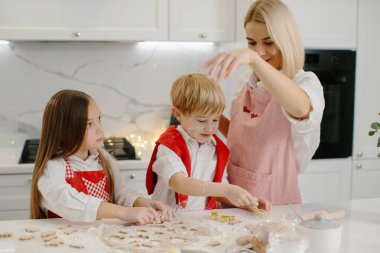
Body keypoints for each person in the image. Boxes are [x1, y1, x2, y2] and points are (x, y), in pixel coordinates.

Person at [200, 0, 325, 205]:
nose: (259, 51)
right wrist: (206, 116)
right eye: (251, 42)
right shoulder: (245, 81)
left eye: (269, 42)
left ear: (286, 40)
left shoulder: (304, 82)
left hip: (275, 202)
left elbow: (302, 110)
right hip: (234, 195)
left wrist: (252, 58)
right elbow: (242, 135)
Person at [30, 89, 175, 224]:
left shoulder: (104, 159)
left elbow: (120, 193)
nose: (100, 128)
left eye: (99, 118)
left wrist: (139, 202)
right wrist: (122, 212)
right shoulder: (54, 167)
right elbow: (65, 200)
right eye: (89, 124)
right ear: (65, 131)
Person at [146, 73, 270, 211]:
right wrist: (226, 189)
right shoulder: (169, 145)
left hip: (200, 221)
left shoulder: (217, 149)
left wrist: (249, 203)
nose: (210, 128)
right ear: (178, 114)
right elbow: (179, 183)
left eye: (215, 120)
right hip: (166, 221)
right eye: (201, 121)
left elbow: (219, 192)